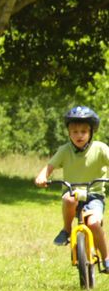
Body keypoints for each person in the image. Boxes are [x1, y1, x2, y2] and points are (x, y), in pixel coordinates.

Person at [34, 106, 109, 272]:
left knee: (94, 224)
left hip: (94, 195)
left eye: (83, 131)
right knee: (68, 199)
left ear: (91, 132)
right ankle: (67, 230)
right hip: (72, 192)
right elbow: (50, 166)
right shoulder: (65, 150)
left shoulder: (100, 149)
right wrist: (42, 176)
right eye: (74, 131)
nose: (79, 135)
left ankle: (106, 258)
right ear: (69, 133)